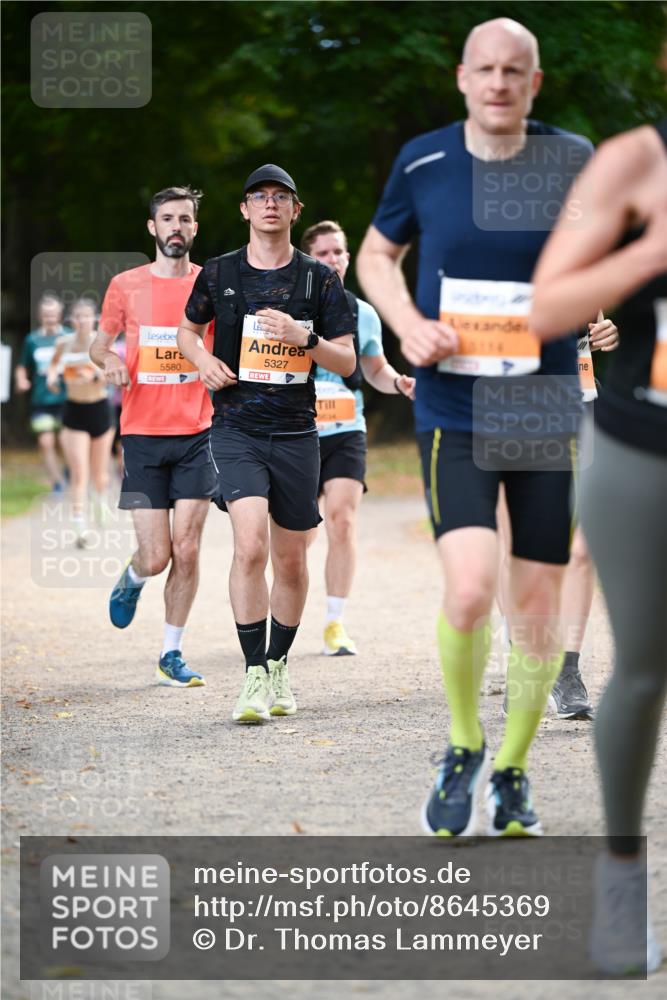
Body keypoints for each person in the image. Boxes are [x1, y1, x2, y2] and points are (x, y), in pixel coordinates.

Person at [357, 17, 593, 837]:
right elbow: (376, 255)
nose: (498, 83)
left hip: (540, 403)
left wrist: (581, 304)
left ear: (534, 83)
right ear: (461, 77)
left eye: (513, 71)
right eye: (484, 69)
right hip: (452, 404)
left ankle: (513, 772)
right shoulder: (423, 159)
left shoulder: (572, 159)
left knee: (534, 603)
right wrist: (405, 324)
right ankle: (463, 744)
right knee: (466, 590)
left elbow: (607, 254)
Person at [532, 120, 667, 974]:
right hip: (641, 447)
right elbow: (547, 306)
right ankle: (620, 892)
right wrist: (649, 250)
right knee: (646, 670)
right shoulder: (636, 161)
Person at [177, 165, 355, 723]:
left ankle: (279, 663)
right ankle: (253, 672)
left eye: (281, 197)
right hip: (236, 429)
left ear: (296, 210)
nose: (270, 204)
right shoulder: (220, 272)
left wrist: (306, 337)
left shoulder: (319, 280)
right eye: (260, 196)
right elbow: (187, 331)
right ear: (245, 210)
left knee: (292, 561)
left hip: (297, 432)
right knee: (250, 546)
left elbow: (346, 360)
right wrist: (202, 360)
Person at [90, 185, 216, 689]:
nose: (176, 227)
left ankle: (170, 652)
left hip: (198, 433)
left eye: (184, 219)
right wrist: (110, 361)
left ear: (194, 228)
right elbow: (99, 346)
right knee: (157, 555)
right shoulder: (126, 285)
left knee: (187, 549)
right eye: (167, 219)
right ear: (152, 227)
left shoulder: (211, 284)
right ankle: (135, 574)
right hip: (141, 434)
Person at [300, 220, 415, 656]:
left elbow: (375, 369)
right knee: (300, 535)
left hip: (347, 429)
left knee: (343, 520)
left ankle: (335, 622)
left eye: (339, 252)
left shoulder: (362, 312)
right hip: (298, 431)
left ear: (348, 258)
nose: (332, 259)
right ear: (309, 259)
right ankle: (286, 614)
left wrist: (398, 382)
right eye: (323, 253)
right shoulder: (291, 307)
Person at [47, 298, 115, 545]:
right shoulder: (63, 343)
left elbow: (113, 374)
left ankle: (100, 500)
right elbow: (53, 367)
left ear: (95, 319)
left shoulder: (102, 343)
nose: (82, 320)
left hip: (99, 411)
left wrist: (96, 375)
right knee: (78, 473)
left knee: (100, 476)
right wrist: (52, 379)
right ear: (72, 320)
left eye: (87, 316)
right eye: (78, 316)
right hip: (74, 412)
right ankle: (80, 528)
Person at [15, 294, 68, 492]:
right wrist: (22, 380)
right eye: (46, 315)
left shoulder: (69, 336)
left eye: (53, 315)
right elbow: (22, 366)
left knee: (66, 442)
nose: (50, 319)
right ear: (40, 316)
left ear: (60, 315)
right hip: (41, 400)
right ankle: (57, 484)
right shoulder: (32, 340)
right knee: (46, 442)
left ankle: (71, 473)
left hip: (67, 399)